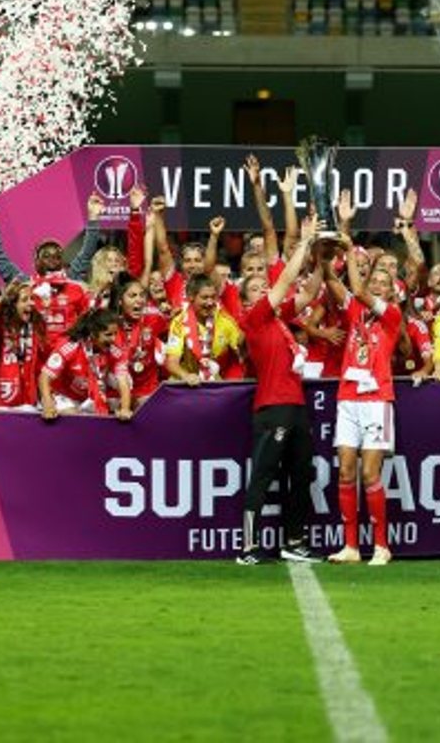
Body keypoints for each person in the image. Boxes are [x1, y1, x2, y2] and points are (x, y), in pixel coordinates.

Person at [236, 215, 323, 565]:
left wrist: (322, 256)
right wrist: (303, 242)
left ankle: (294, 541)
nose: (263, 291)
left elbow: (310, 292)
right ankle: (248, 546)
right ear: (246, 300)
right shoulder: (254, 319)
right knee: (263, 476)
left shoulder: (279, 320)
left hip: (296, 405)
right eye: (255, 288)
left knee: (301, 475)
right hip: (273, 407)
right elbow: (286, 280)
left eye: (263, 287)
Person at [321, 214, 403, 566]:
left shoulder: (392, 315)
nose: (378, 285)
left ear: (392, 289)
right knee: (345, 472)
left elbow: (357, 288)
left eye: (384, 282)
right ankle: (351, 546)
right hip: (348, 398)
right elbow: (331, 279)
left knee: (370, 474)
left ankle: (381, 545)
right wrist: (326, 247)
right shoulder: (354, 310)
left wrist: (346, 231)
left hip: (376, 401)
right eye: (376, 280)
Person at [0, 193, 101, 346]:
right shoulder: (25, 285)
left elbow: (87, 252)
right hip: (36, 358)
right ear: (35, 262)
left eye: (57, 254)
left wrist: (93, 218)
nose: (52, 257)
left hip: (67, 356)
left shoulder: (72, 278)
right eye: (46, 254)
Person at [39, 308, 132, 421]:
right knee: (74, 418)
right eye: (108, 334)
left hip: (89, 398)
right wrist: (48, 404)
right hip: (63, 396)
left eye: (115, 334)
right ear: (93, 334)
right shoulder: (70, 346)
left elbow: (123, 382)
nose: (113, 339)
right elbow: (44, 376)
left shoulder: (115, 351)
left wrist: (125, 409)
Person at [0, 280, 49, 411]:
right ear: (12, 305)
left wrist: (45, 397)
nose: (31, 303)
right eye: (24, 300)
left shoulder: (36, 328)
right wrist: (3, 298)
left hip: (27, 397)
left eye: (32, 299)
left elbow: (41, 365)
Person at [164, 274, 245, 384]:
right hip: (186, 382)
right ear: (191, 297)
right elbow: (171, 362)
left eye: (213, 297)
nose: (210, 302)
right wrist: (186, 376)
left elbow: (242, 349)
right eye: (205, 297)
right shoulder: (179, 322)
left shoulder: (225, 320)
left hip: (212, 381)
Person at [109, 273, 167, 408]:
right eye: (132, 296)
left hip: (146, 386)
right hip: (116, 387)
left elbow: (168, 337)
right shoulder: (109, 323)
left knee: (150, 412)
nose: (139, 300)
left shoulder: (155, 317)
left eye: (142, 295)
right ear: (120, 300)